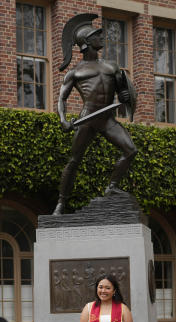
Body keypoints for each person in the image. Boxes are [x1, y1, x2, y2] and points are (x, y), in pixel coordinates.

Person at [52, 13, 137, 216]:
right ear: (86, 42)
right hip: (87, 119)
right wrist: (63, 120)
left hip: (107, 119)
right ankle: (61, 203)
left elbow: (124, 92)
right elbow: (62, 99)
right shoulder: (75, 72)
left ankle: (112, 187)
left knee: (131, 150)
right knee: (74, 161)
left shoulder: (112, 66)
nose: (101, 38)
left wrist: (125, 97)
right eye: (96, 36)